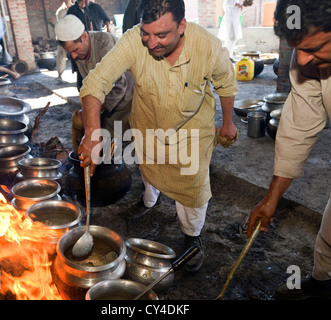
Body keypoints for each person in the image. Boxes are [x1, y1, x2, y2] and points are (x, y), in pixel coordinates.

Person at [77, 0, 238, 272]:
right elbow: (96, 81)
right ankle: (149, 199)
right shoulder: (132, 42)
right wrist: (92, 131)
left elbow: (226, 83)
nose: (151, 44)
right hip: (148, 124)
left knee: (191, 185)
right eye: (146, 33)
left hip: (191, 131)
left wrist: (229, 123)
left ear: (182, 26)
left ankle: (191, 237)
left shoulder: (208, 46)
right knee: (149, 166)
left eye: (161, 35)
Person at [246, 0, 331, 299]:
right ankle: (321, 283)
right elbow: (299, 125)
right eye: (295, 47)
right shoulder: (313, 57)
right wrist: (271, 199)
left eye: (314, 48)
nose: (301, 60)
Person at [54, 14, 133, 151]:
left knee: (126, 141)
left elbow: (120, 86)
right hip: (105, 102)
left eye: (75, 50)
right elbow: (88, 83)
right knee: (83, 125)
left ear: (84, 37)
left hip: (127, 99)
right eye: (69, 53)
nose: (73, 56)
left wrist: (94, 108)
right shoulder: (78, 53)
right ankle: (83, 162)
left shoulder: (104, 45)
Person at [50, 0, 75, 80]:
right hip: (63, 36)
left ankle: (80, 73)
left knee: (77, 55)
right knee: (61, 55)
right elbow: (62, 24)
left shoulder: (76, 8)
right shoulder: (60, 11)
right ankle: (59, 74)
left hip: (74, 35)